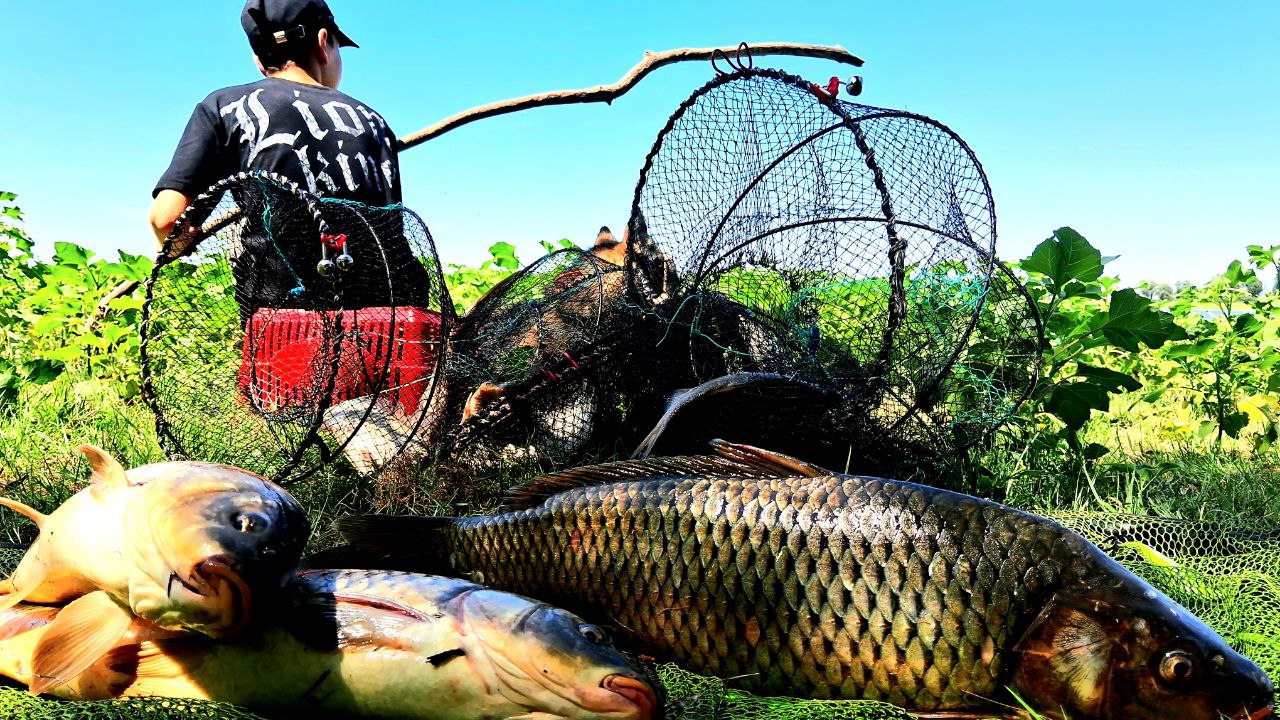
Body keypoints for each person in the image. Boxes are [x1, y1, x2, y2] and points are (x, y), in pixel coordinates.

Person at [149, 0, 428, 316]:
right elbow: (390, 230)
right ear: (323, 43)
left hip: (286, 335)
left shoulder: (224, 107)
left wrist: (180, 244)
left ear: (259, 60)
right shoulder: (374, 121)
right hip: (387, 329)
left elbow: (166, 219)